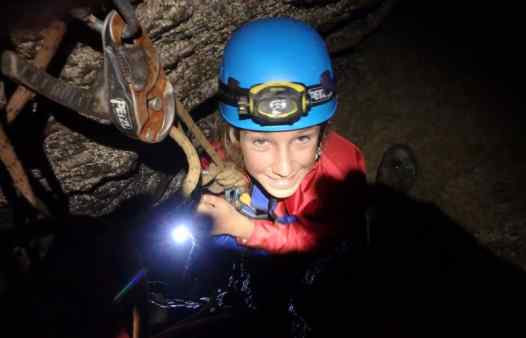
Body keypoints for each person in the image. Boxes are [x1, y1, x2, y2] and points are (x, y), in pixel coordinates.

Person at [196, 17, 368, 254]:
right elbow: (210, 163)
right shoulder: (224, 150)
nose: (284, 169)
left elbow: (318, 240)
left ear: (321, 132)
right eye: (261, 141)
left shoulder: (338, 178)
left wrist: (244, 228)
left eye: (302, 139)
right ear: (236, 137)